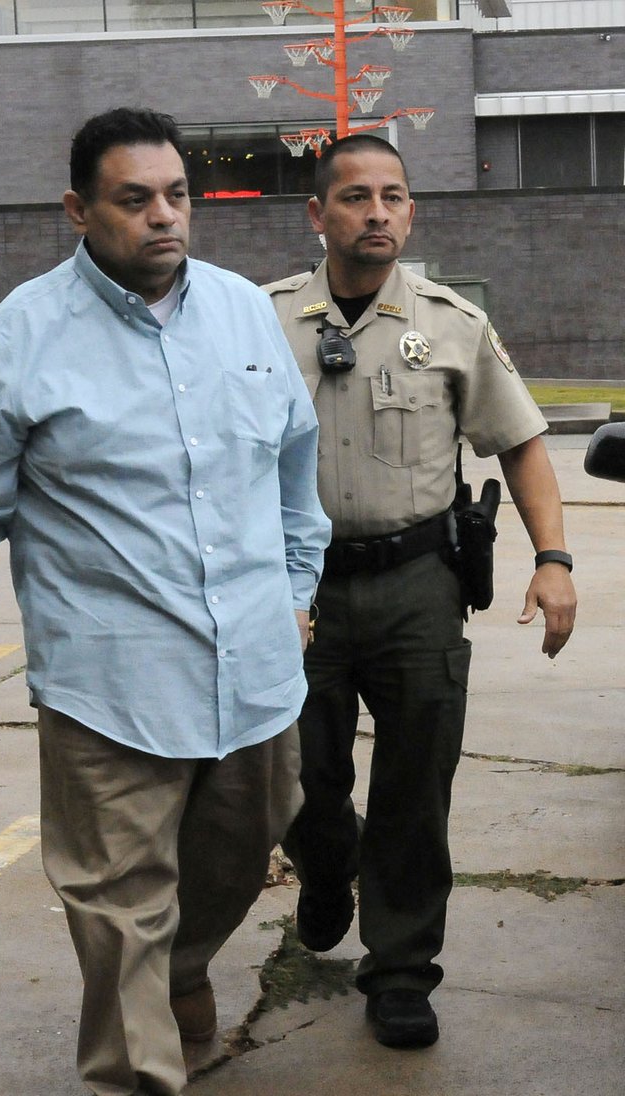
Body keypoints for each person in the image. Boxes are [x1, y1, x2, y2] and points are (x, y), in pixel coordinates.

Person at [0, 107, 330, 1096]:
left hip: (253, 677)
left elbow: (294, 468)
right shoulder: (18, 337)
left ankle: (179, 971)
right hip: (109, 687)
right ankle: (140, 1063)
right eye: (133, 200)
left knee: (232, 863)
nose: (163, 217)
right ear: (78, 209)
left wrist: (297, 586)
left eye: (175, 195)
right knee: (118, 909)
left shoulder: (239, 312)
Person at [264, 134, 577, 1050]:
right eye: (355, 198)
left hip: (417, 589)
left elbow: (520, 442)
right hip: (296, 595)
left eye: (393, 196)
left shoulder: (450, 324)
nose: (377, 213)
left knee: (415, 789)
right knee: (296, 778)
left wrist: (553, 559)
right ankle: (326, 868)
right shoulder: (259, 322)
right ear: (318, 214)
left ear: (412, 210)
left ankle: (399, 969)